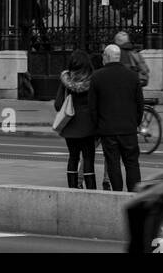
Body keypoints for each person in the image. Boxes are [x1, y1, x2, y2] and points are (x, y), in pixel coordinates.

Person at [89, 43, 145, 192]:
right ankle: (134, 195)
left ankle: (118, 194)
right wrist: (135, 122)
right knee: (132, 163)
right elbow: (140, 104)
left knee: (113, 164)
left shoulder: (97, 77)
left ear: (106, 57)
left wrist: (98, 126)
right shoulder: (132, 76)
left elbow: (92, 108)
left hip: (108, 130)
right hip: (128, 128)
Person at [52, 49, 98, 190]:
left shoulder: (66, 80)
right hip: (89, 126)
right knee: (88, 159)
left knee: (73, 157)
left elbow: (58, 104)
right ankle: (91, 189)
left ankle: (72, 188)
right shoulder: (94, 79)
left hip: (70, 125)